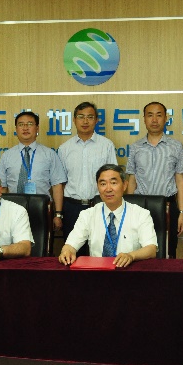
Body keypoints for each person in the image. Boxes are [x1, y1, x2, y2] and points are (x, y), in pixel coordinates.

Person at [58, 164, 157, 268]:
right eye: (103, 184)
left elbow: (151, 249)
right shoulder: (87, 215)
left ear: (124, 185)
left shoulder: (141, 214)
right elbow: (71, 244)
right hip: (97, 272)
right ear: (98, 187)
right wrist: (67, 251)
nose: (108, 189)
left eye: (113, 183)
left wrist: (131, 256)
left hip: (129, 271)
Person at [125, 101, 183, 258]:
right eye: (150, 115)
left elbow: (180, 180)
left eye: (159, 115)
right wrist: (128, 210)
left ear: (166, 118)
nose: (154, 120)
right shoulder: (135, 147)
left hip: (167, 206)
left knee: (168, 253)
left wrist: (181, 212)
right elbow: (132, 179)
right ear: (144, 119)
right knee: (138, 251)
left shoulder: (176, 146)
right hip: (140, 206)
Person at [58, 102, 118, 257]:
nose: (85, 121)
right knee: (73, 252)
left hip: (99, 205)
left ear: (96, 120)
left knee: (100, 251)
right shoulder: (64, 148)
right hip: (72, 207)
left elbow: (113, 178)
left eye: (90, 117)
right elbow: (61, 182)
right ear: (74, 120)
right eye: (81, 117)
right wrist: (59, 213)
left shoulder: (106, 145)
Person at [0, 111, 67, 231]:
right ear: (16, 129)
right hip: (12, 211)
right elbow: (2, 188)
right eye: (21, 124)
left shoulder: (49, 154)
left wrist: (58, 214)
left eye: (29, 124)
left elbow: (57, 186)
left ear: (37, 128)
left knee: (40, 241)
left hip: (41, 210)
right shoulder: (7, 156)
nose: (25, 128)